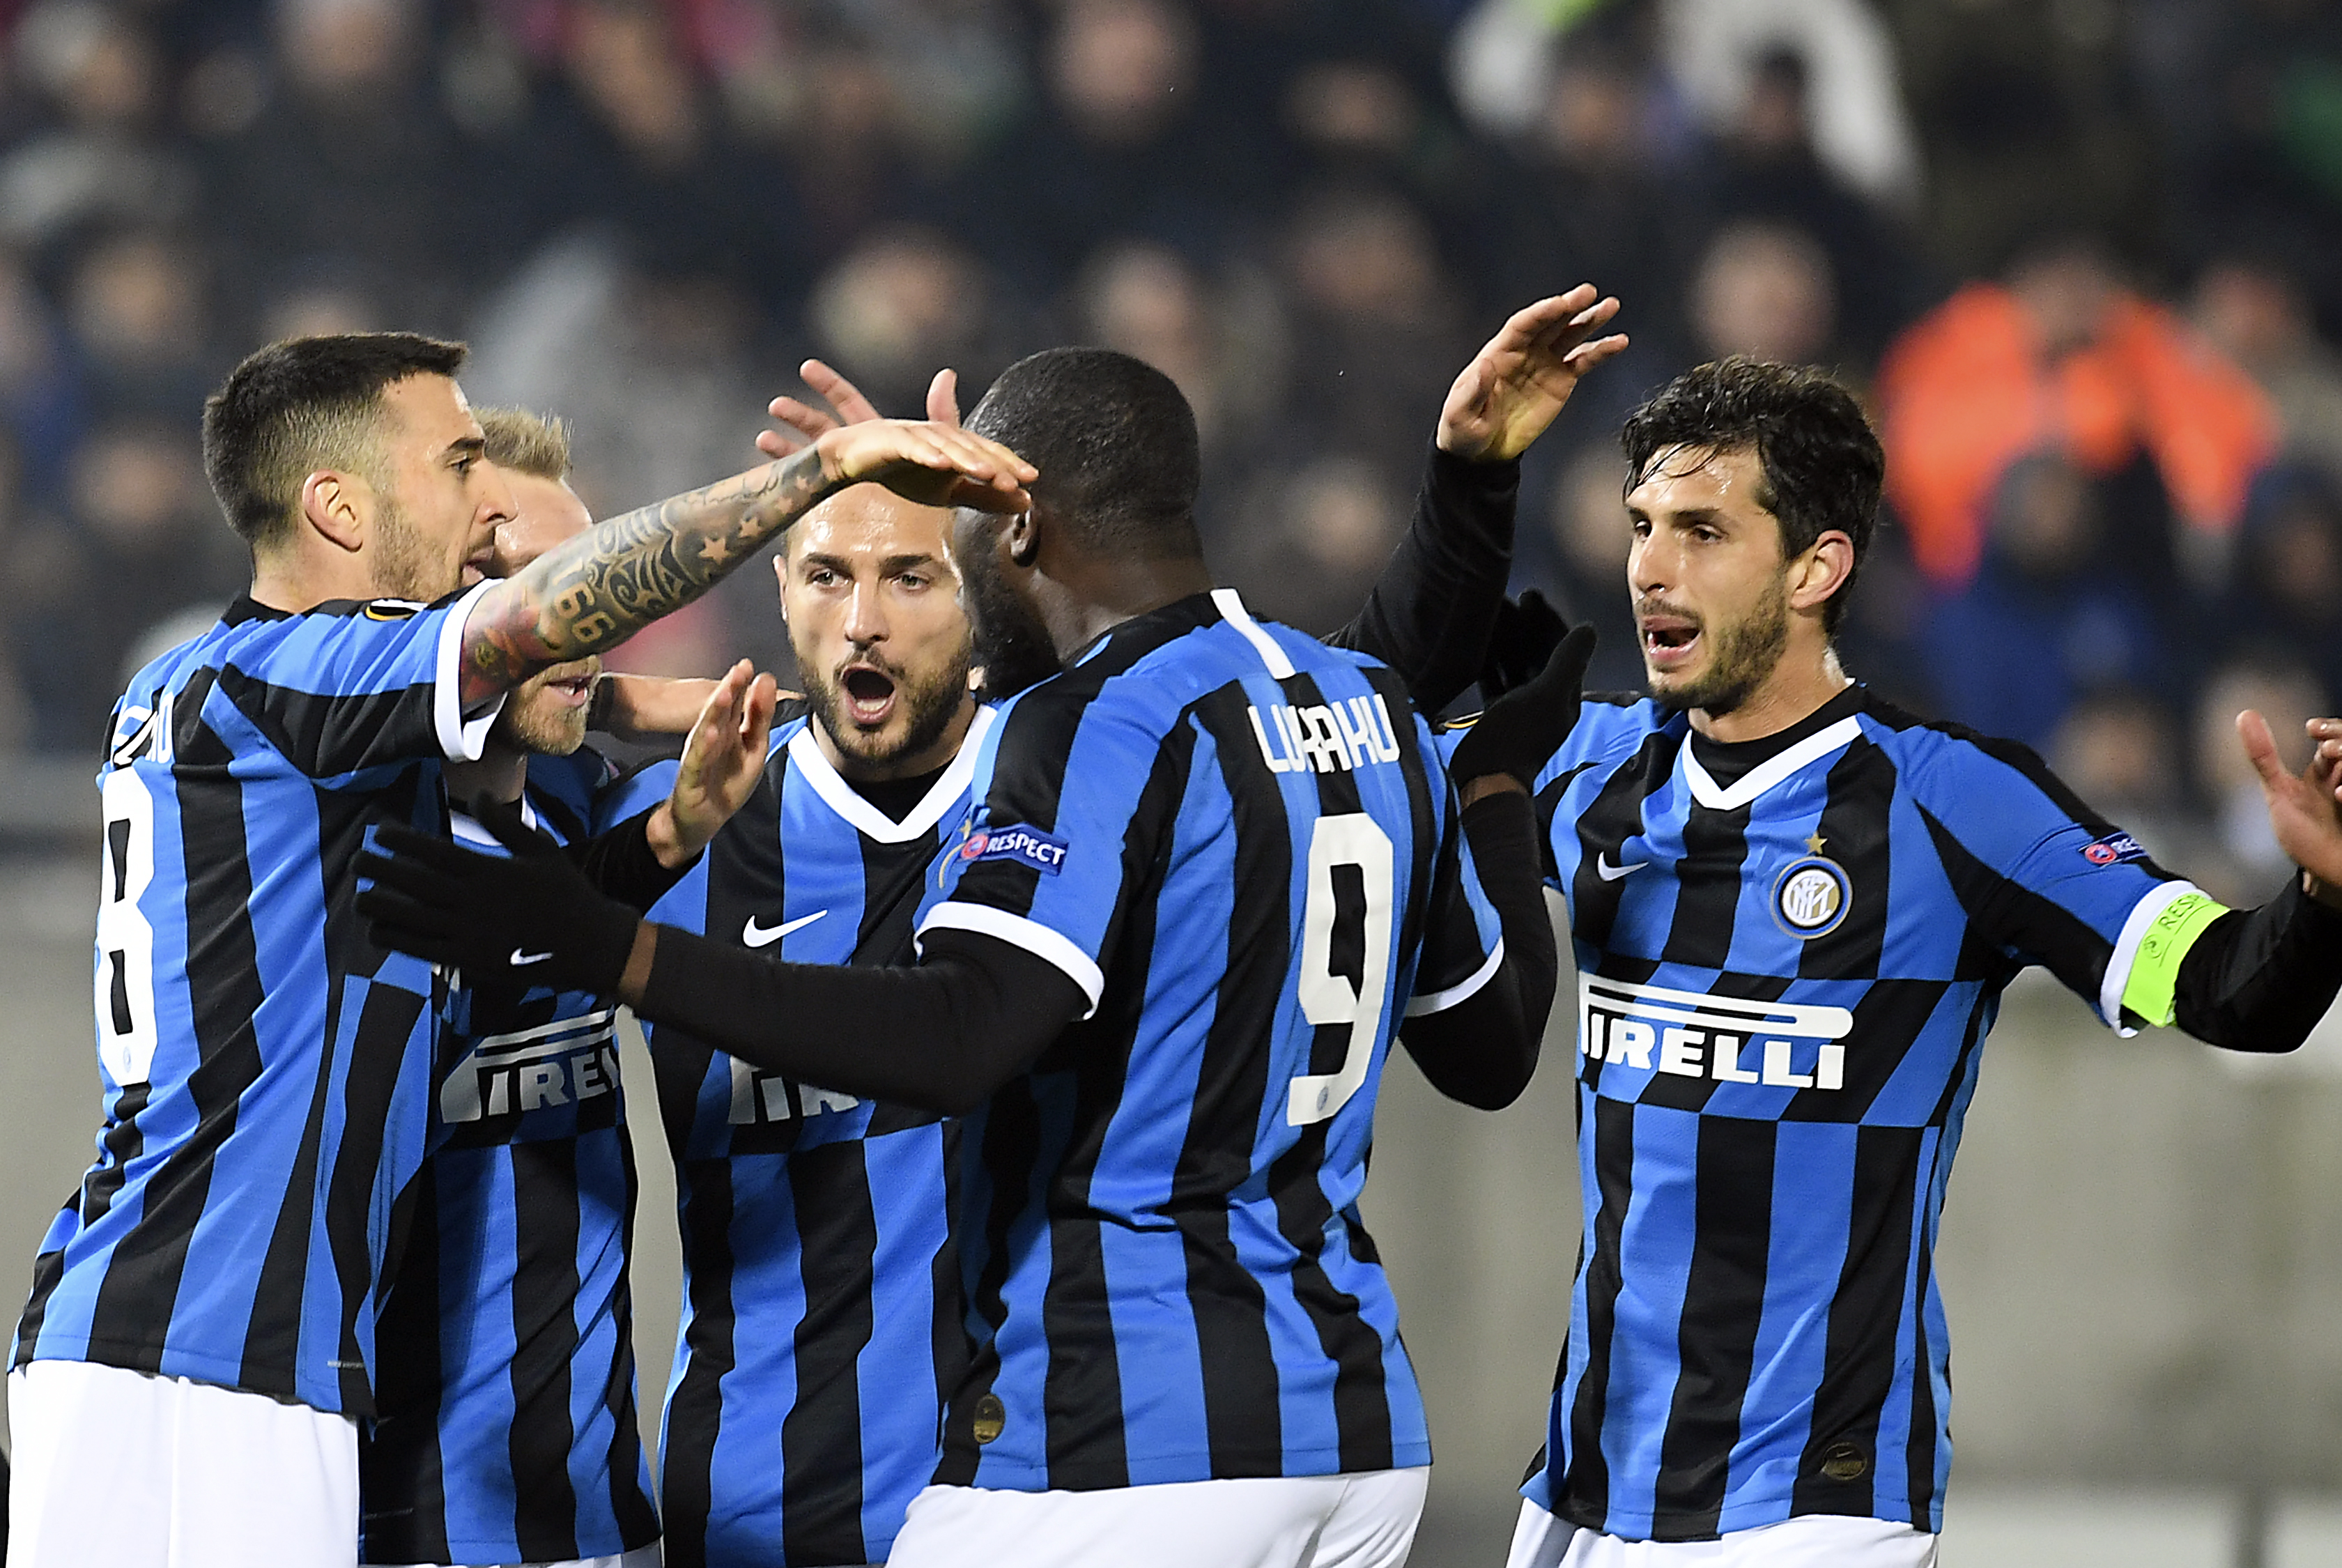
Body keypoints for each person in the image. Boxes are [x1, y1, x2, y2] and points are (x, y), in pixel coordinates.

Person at [353, 346, 1589, 1568]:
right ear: (776, 592)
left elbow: (1258, 692)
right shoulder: (660, 837)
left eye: (908, 572)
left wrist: (1466, 500)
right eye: (828, 574)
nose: (864, 619)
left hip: (1043, 1468)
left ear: (985, 573)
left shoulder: (1063, 779)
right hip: (759, 1506)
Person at [7, 331, 1031, 1568]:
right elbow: (532, 631)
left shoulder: (303, 747)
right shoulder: (280, 678)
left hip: (249, 1363)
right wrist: (816, 479)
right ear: (339, 506)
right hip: (194, 1351)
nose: (475, 516)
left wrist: (670, 822)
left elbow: (510, 927)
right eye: (452, 472)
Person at [1493, 358, 2342, 1567]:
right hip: (1582, 1493)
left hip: (1819, 1506)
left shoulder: (1953, 800)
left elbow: (2231, 989)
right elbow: (1330, 776)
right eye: (1645, 527)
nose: (1651, 569)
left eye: (1704, 532)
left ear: (1818, 566)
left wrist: (2326, 903)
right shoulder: (1585, 764)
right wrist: (1464, 482)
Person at [357, 408, 778, 1568]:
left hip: (599, 1511)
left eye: (602, 597)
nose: (593, 628)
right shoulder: (350, 837)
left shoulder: (575, 805)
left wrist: (604, 699)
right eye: (556, 595)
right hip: (404, 1521)